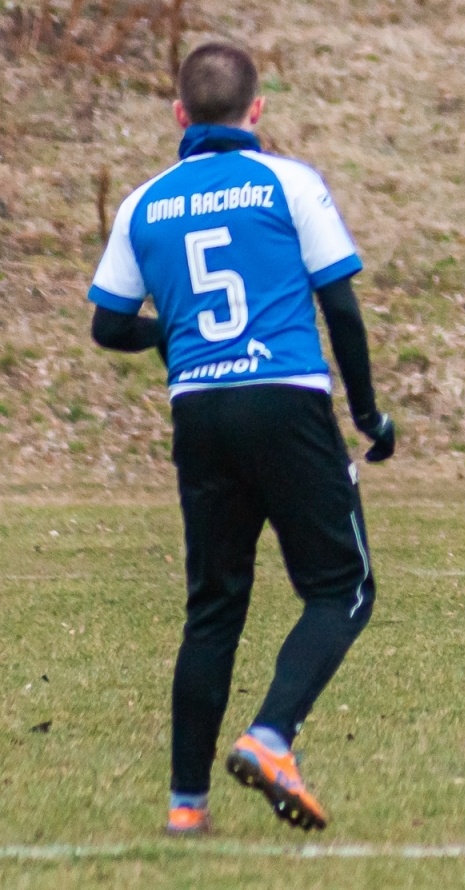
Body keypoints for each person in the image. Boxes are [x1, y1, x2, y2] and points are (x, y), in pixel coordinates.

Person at [88, 43, 395, 836]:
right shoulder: (289, 182)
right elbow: (344, 310)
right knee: (342, 589)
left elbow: (107, 323)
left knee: (214, 608)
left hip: (200, 411)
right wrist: (366, 414)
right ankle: (270, 737)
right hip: (285, 402)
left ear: (179, 115)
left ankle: (186, 808)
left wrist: (168, 333)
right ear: (257, 110)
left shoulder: (142, 203)